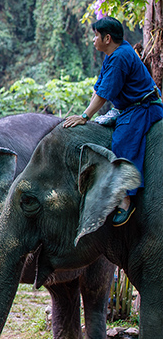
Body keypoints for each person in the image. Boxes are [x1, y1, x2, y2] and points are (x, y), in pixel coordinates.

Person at [63, 16, 163, 226]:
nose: (93, 39)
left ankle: (126, 199)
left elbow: (104, 95)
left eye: (96, 35)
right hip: (126, 107)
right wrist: (85, 115)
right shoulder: (113, 54)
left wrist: (84, 117)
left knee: (122, 142)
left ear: (107, 38)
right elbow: (99, 89)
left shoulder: (120, 57)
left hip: (141, 108)